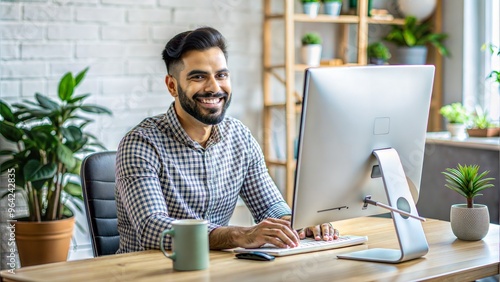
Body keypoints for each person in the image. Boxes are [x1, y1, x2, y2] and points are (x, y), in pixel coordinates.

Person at [115, 26, 338, 253]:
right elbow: (153, 227)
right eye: (199, 77)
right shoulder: (141, 143)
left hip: (217, 270)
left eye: (221, 75)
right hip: (149, 272)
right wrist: (238, 235)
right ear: (172, 85)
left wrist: (297, 224)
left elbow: (269, 205)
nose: (214, 87)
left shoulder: (239, 137)